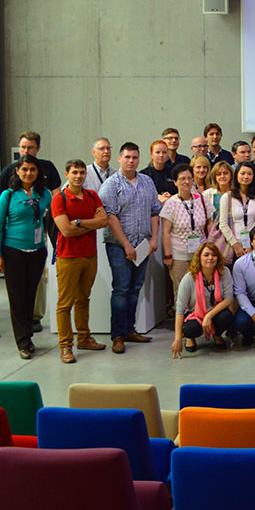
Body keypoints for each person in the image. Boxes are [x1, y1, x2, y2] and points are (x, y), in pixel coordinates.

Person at [99, 142, 162, 354]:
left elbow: (155, 211)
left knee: (135, 288)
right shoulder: (111, 184)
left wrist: (154, 239)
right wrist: (126, 244)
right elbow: (110, 216)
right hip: (119, 245)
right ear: (119, 159)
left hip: (143, 244)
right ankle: (117, 335)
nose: (131, 161)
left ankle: (129, 330)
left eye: (134, 157)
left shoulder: (147, 181)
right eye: (127, 157)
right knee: (121, 288)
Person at [0, 155, 51, 359]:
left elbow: (54, 217)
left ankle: (28, 336)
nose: (28, 173)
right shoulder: (8, 195)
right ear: (17, 171)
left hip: (37, 251)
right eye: (24, 169)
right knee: (17, 299)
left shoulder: (44, 194)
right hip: (13, 252)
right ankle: (23, 342)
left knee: (30, 296)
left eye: (33, 169)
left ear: (38, 172)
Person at [50, 159, 109, 363]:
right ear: (66, 174)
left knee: (83, 298)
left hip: (90, 255)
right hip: (68, 257)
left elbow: (104, 221)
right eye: (74, 172)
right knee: (65, 303)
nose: (78, 176)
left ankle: (84, 338)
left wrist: (78, 222)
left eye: (82, 172)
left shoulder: (92, 195)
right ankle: (65, 345)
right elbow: (66, 230)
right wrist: (90, 224)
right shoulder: (59, 199)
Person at [160, 163, 211, 317]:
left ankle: (201, 321)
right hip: (179, 256)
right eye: (182, 179)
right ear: (175, 182)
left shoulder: (202, 200)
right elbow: (165, 232)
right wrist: (168, 255)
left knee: (202, 290)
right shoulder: (170, 204)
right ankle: (181, 324)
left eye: (189, 178)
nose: (186, 182)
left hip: (200, 255)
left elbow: (209, 224)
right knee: (181, 292)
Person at [170, 243, 235, 356]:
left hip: (215, 311)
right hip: (194, 314)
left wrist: (208, 316)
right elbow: (180, 309)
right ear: (199, 258)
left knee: (227, 317)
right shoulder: (189, 278)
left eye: (214, 255)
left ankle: (217, 334)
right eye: (206, 255)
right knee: (191, 329)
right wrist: (178, 339)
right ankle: (190, 338)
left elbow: (228, 299)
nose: (210, 258)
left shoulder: (224, 272)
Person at [219, 161, 255, 260]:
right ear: (236, 176)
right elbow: (223, 224)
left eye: (249, 174)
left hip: (254, 246)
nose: (246, 177)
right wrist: (235, 244)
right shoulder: (227, 197)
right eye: (242, 173)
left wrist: (253, 244)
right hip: (233, 246)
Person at [0, 131, 62, 195]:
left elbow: (56, 194)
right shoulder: (8, 171)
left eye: (30, 148)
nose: (26, 151)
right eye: (23, 147)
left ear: (38, 148)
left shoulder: (48, 167)